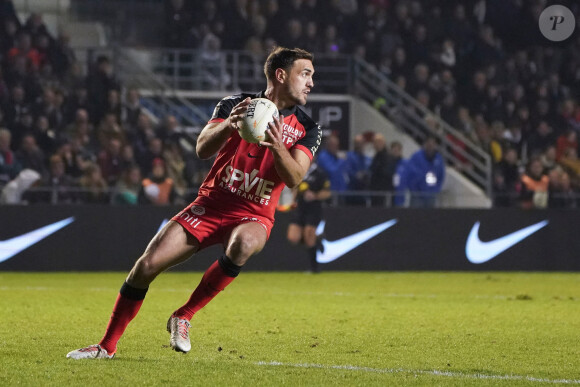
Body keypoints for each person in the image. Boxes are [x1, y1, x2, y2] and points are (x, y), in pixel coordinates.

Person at [66, 47, 320, 359]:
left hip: (254, 215)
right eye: (305, 74)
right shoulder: (234, 105)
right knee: (145, 267)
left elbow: (294, 177)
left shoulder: (308, 128)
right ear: (281, 75)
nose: (311, 82)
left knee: (243, 244)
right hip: (210, 206)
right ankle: (106, 347)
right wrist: (230, 125)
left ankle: (183, 315)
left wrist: (277, 144)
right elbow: (201, 148)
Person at [286, 159, 331, 273]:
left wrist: (315, 195)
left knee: (309, 235)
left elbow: (327, 192)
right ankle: (317, 239)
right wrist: (291, 198)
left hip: (314, 209)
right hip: (300, 208)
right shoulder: (298, 170)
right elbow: (293, 188)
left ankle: (314, 268)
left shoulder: (320, 173)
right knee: (293, 237)